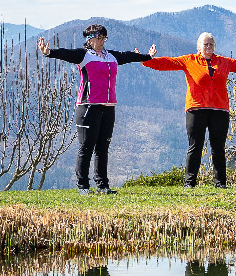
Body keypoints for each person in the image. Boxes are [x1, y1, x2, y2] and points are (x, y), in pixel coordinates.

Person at [38, 25, 155, 194]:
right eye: (99, 38)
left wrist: (148, 56)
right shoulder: (83, 55)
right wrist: (49, 52)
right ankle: (83, 186)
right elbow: (65, 53)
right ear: (89, 39)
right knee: (86, 147)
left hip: (108, 107)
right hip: (88, 106)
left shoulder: (111, 56)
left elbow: (128, 56)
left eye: (104, 38)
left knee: (103, 147)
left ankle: (102, 186)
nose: (102, 41)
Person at [143, 33, 236, 188]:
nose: (209, 47)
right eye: (206, 44)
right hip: (196, 109)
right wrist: (147, 59)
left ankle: (220, 183)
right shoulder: (189, 60)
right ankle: (189, 183)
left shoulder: (223, 61)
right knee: (195, 146)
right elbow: (166, 63)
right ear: (199, 47)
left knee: (218, 147)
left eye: (211, 44)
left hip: (220, 109)